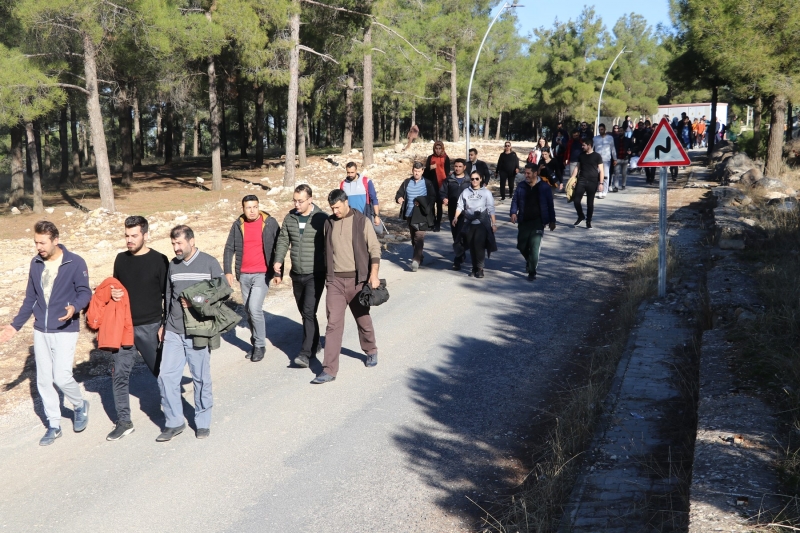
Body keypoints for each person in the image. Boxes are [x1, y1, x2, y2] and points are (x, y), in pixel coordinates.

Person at [0, 221, 92, 446]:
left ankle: (79, 405)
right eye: (36, 242)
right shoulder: (36, 263)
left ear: (55, 240)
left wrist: (74, 308)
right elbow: (30, 299)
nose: (38, 247)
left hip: (65, 328)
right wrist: (14, 326)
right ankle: (54, 424)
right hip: (41, 329)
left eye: (42, 242)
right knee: (43, 380)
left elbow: (85, 292)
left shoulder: (75, 262)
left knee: (61, 376)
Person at [158, 225, 227, 441]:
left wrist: (198, 301)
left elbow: (223, 291)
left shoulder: (209, 263)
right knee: (166, 376)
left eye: (179, 243)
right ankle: (174, 421)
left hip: (199, 331)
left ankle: (203, 421)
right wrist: (164, 324)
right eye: (173, 244)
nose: (176, 248)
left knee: (200, 378)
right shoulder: (173, 265)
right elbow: (168, 297)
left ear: (191, 241)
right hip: (174, 330)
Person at [105, 216, 169, 441]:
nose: (129, 240)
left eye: (134, 236)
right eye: (126, 235)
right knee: (119, 375)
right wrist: (112, 293)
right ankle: (124, 422)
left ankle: (173, 417)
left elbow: (168, 296)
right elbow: (116, 287)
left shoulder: (160, 260)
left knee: (162, 373)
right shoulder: (120, 259)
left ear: (146, 235)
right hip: (124, 327)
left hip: (151, 326)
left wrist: (165, 325)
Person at [312, 189, 381, 384]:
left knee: (362, 319)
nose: (335, 211)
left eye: (337, 207)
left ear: (345, 202)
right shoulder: (329, 223)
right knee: (333, 324)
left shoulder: (361, 221)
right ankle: (329, 370)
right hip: (335, 282)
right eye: (332, 208)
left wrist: (373, 275)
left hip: (358, 281)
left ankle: (371, 350)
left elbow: (374, 248)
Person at [273, 184, 328, 369]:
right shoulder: (290, 218)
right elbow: (283, 240)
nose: (297, 204)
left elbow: (330, 245)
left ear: (310, 199)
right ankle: (315, 343)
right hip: (296, 273)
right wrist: (278, 261)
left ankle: (305, 353)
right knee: (306, 313)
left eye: (300, 201)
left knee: (308, 311)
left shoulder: (322, 219)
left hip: (315, 273)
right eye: (295, 200)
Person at [223, 195, 280, 362]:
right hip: (244, 275)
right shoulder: (238, 225)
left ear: (259, 206)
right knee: (248, 311)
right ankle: (255, 343)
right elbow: (229, 248)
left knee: (255, 309)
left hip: (262, 274)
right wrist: (228, 271)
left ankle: (260, 345)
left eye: (255, 207)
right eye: (248, 207)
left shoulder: (269, 223)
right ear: (243, 209)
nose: (252, 210)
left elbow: (280, 246)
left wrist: (277, 272)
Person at [510, 164, 556, 280]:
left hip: (538, 221)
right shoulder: (521, 186)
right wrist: (513, 212)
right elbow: (515, 200)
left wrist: (552, 220)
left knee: (534, 247)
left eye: (528, 173)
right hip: (524, 221)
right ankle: (530, 261)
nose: (526, 175)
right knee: (521, 246)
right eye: (525, 173)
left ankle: (532, 271)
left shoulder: (544, 187)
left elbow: (550, 205)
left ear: (535, 173)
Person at [453, 171, 497, 278]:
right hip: (469, 222)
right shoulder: (465, 192)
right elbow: (460, 206)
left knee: (479, 245)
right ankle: (474, 267)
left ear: (481, 179)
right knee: (471, 245)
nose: (474, 181)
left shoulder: (486, 193)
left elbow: (491, 208)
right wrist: (455, 217)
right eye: (472, 179)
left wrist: (494, 223)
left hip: (481, 222)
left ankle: (480, 268)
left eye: (477, 179)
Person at [396, 161, 436, 272]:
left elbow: (432, 197)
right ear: (412, 170)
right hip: (409, 214)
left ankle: (415, 261)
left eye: (419, 171)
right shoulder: (407, 182)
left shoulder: (427, 183)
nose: (417, 173)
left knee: (419, 237)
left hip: (422, 215)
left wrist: (422, 202)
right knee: (414, 237)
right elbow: (399, 193)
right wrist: (399, 198)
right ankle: (420, 256)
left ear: (423, 171)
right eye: (415, 171)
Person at [440, 158, 471, 270]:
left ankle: (457, 260)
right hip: (453, 212)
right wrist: (444, 198)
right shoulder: (449, 179)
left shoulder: (469, 180)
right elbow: (442, 192)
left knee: (461, 235)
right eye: (456, 166)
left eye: (459, 166)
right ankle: (461, 253)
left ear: (464, 167)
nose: (457, 168)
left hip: (467, 213)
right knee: (455, 234)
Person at [569, 137, 604, 229]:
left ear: (589, 145)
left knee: (590, 203)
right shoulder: (581, 155)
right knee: (576, 201)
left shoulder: (597, 156)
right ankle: (581, 216)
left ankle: (588, 221)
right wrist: (572, 179)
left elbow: (601, 170)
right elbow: (577, 168)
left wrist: (601, 183)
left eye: (584, 145)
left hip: (593, 182)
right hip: (582, 180)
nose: (582, 146)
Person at [339, 162, 381, 229]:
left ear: (356, 170)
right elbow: (341, 202)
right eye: (348, 172)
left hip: (365, 215)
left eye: (352, 172)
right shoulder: (343, 184)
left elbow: (374, 199)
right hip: (349, 217)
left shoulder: (366, 181)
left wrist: (377, 216)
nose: (350, 175)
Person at [423, 141, 450, 231]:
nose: (438, 150)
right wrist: (430, 168)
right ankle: (432, 222)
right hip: (432, 184)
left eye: (439, 148)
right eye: (436, 148)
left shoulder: (446, 158)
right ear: (434, 149)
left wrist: (447, 186)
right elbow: (425, 173)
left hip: (442, 184)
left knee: (439, 205)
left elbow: (447, 172)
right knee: (431, 204)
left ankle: (438, 224)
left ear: (442, 149)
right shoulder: (430, 158)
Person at [592, 123, 617, 199]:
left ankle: (604, 191)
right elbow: (592, 148)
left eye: (602, 129)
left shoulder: (610, 138)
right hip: (596, 159)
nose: (600, 131)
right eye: (599, 129)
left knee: (605, 176)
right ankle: (598, 190)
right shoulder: (595, 138)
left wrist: (615, 158)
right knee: (596, 175)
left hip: (606, 159)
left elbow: (613, 149)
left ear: (605, 129)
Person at [611, 125, 634, 192]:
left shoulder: (628, 140)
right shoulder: (615, 140)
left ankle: (623, 185)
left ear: (624, 131)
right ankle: (616, 186)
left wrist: (630, 151)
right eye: (619, 131)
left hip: (625, 158)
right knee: (616, 173)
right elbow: (613, 149)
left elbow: (631, 147)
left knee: (624, 173)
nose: (620, 132)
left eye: (621, 131)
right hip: (617, 158)